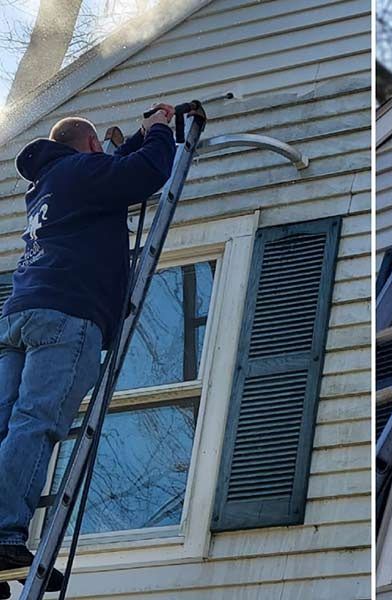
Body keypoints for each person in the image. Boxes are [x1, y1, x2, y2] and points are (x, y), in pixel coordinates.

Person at [0, 103, 177, 596]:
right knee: (37, 422)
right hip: (67, 314)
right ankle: (5, 536)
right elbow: (144, 175)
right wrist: (161, 132)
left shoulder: (47, 187)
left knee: (6, 427)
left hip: (18, 315)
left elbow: (117, 170)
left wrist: (138, 138)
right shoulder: (83, 171)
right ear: (92, 146)